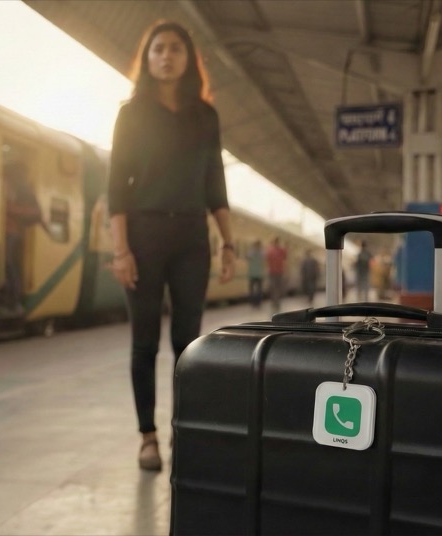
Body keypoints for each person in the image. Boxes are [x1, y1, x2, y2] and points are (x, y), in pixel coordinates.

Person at [108, 20, 235, 472]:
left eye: (175, 48)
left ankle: (184, 430)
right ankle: (148, 437)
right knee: (144, 343)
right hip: (142, 236)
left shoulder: (205, 116)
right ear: (147, 58)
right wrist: (121, 251)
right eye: (158, 48)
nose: (166, 55)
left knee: (187, 342)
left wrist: (228, 243)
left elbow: (215, 184)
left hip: (190, 238)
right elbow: (117, 188)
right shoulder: (131, 113)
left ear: (188, 59)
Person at [1, 163, 44, 316]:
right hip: (4, 232)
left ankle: (14, 302)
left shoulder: (22, 189)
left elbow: (35, 212)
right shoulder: (8, 185)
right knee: (6, 265)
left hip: (11, 233)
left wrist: (10, 209)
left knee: (9, 265)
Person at [265, 236, 288, 313]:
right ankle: (276, 302)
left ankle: (275, 301)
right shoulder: (279, 250)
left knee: (275, 288)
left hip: (275, 272)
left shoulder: (271, 250)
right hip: (276, 272)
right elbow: (285, 257)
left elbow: (267, 259)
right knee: (276, 288)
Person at [246, 239, 265, 308]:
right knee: (253, 289)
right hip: (253, 273)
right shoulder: (253, 252)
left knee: (258, 290)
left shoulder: (260, 253)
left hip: (258, 274)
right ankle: (253, 302)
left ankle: (257, 302)